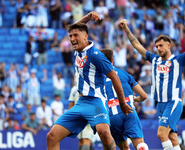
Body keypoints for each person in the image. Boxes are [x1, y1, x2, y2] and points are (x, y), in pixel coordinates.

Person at [46, 12, 133, 150]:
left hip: (96, 101)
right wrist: (87, 18)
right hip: (80, 103)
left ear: (86, 36)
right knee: (52, 136)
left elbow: (115, 77)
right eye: (70, 36)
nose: (72, 39)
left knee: (104, 132)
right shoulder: (78, 50)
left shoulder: (96, 55)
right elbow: (75, 28)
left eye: (76, 36)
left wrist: (122, 103)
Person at [119, 19, 183, 150]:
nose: (158, 48)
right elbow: (136, 45)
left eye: (161, 45)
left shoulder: (178, 60)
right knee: (172, 137)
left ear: (169, 45)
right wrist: (126, 29)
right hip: (160, 104)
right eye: (157, 46)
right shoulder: (154, 59)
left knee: (161, 133)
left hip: (173, 102)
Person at [101, 48, 149, 150]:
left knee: (124, 147)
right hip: (129, 111)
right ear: (112, 60)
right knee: (140, 144)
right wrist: (135, 99)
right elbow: (144, 96)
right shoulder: (124, 74)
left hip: (112, 116)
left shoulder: (98, 79)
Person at [68, 85, 93, 150]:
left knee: (81, 141)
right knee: (87, 140)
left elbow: (71, 107)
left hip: (77, 119)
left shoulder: (74, 89)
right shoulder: (88, 86)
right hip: (87, 118)